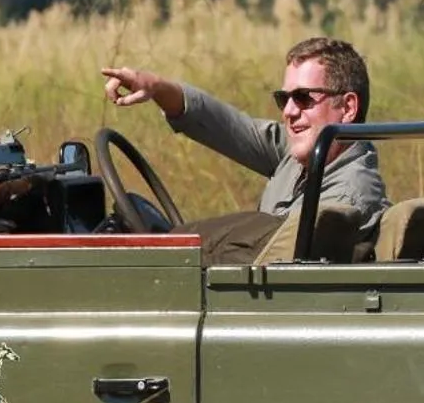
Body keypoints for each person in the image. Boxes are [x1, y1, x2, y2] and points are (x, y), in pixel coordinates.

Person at [99, 36, 387, 261]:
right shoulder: (302, 155)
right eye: (283, 98)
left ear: (348, 107)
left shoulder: (347, 197)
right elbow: (227, 126)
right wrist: (158, 88)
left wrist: (171, 247)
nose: (288, 111)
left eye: (303, 98)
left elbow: (272, 260)